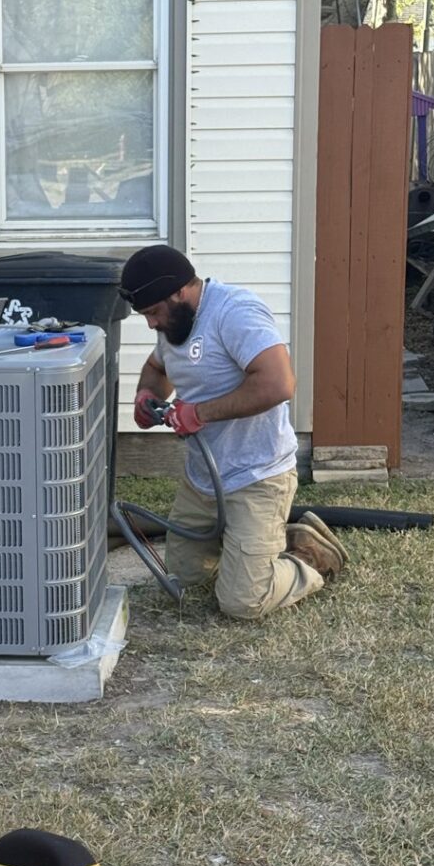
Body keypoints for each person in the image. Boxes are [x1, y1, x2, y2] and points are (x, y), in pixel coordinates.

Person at [119, 244, 348, 619]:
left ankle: (309, 554)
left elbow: (278, 384)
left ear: (179, 291)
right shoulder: (174, 322)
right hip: (204, 480)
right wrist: (147, 395)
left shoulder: (234, 312)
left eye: (153, 312)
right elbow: (156, 368)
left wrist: (202, 413)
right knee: (184, 579)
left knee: (243, 603)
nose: (151, 324)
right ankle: (253, 545)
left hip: (256, 476)